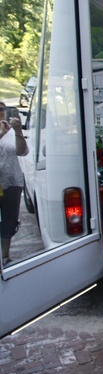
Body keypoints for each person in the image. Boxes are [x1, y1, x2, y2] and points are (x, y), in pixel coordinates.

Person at [0, 102, 28, 266]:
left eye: (1, 109)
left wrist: (17, 132)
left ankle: (5, 256)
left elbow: (22, 151)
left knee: (9, 221)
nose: (0, 113)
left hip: (11, 183)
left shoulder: (10, 130)